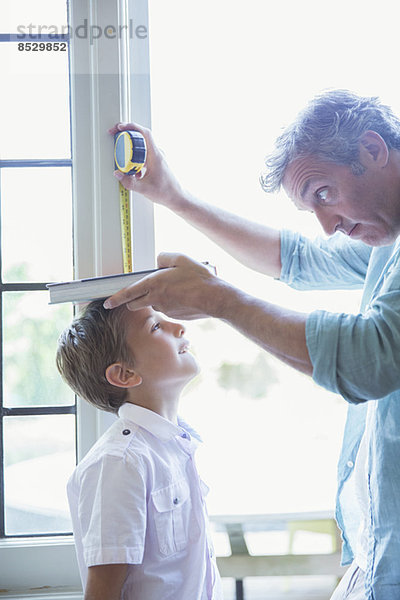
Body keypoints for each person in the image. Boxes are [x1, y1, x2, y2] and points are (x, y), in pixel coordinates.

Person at [105, 90, 400, 600]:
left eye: (323, 192)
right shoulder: (386, 240)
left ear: (373, 150)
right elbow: (297, 260)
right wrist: (174, 197)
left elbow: (370, 358)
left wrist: (220, 300)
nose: (328, 227)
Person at [56, 300, 222, 600]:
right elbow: (102, 593)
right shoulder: (120, 462)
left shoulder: (177, 445)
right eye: (156, 326)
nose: (179, 326)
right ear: (124, 374)